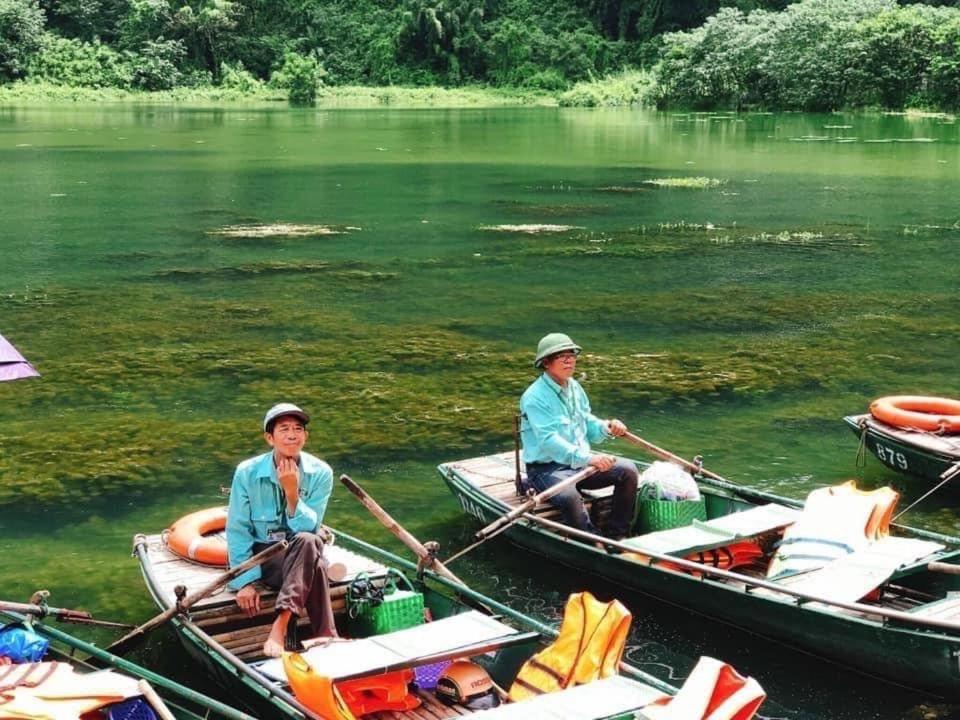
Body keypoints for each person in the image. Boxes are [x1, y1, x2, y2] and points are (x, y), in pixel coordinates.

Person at [226, 402, 338, 657]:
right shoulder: (247, 472)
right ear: (269, 438)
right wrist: (246, 581)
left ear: (305, 436)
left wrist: (291, 493)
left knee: (309, 541)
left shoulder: (321, 473)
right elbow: (237, 529)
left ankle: (280, 626)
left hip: (302, 546)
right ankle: (326, 635)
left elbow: (311, 526)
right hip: (265, 554)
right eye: (284, 429)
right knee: (316, 561)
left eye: (298, 429)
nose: (291, 435)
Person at [519, 333, 638, 539]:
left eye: (572, 354)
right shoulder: (534, 397)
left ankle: (618, 535)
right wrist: (589, 458)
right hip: (547, 469)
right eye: (561, 356)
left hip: (579, 465)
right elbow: (549, 441)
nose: (569, 360)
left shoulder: (574, 387)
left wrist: (607, 427)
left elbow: (587, 422)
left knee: (628, 471)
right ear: (546, 363)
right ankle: (592, 543)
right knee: (569, 497)